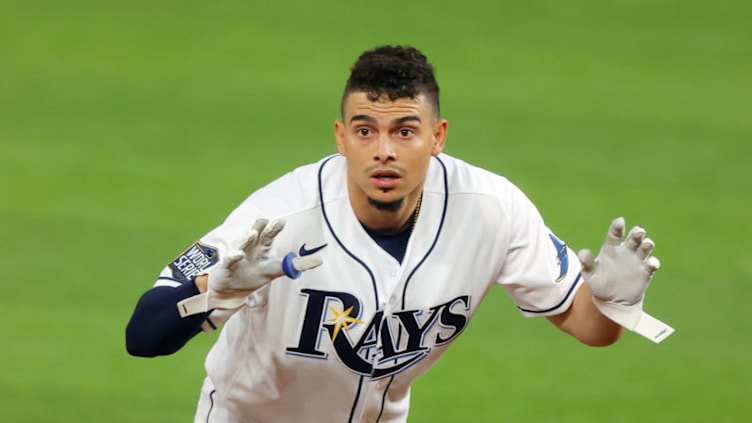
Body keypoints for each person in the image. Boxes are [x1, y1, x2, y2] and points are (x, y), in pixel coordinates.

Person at [126, 45, 673, 422]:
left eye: (404, 130)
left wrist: (614, 303)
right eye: (366, 130)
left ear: (437, 137)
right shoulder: (276, 219)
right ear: (342, 138)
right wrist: (211, 294)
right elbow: (143, 335)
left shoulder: (492, 209)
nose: (384, 149)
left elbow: (589, 328)